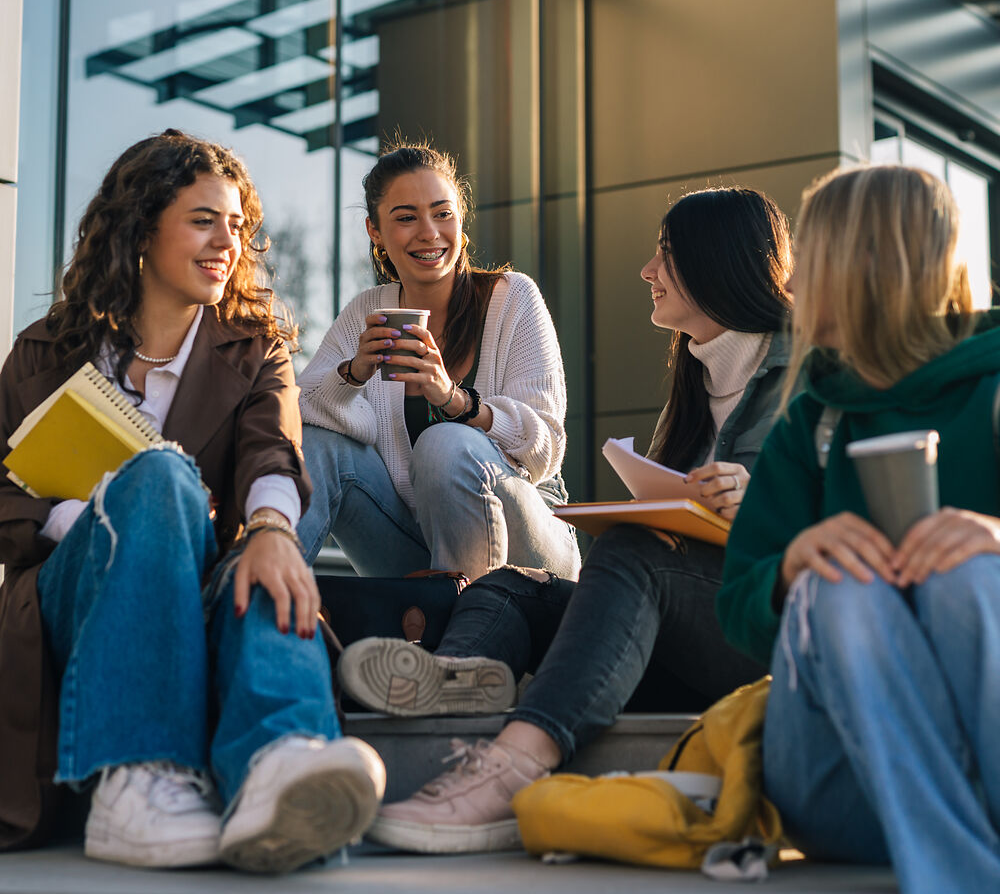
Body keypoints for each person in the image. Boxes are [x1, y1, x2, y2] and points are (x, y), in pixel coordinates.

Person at [337, 186, 794, 854]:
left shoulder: (807, 373)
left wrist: (757, 501)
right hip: (683, 629)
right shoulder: (696, 379)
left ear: (715, 260)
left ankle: (509, 771)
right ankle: (455, 678)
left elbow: (848, 518)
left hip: (760, 637)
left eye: (664, 256)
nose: (647, 271)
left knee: (631, 550)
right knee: (510, 585)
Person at [0, 130, 385, 873]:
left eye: (237, 226)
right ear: (141, 228)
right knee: (162, 477)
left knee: (264, 563)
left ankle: (282, 761)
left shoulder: (255, 345)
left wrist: (273, 526)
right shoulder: (44, 352)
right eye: (204, 220)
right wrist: (85, 522)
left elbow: (275, 449)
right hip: (67, 595)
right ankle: (138, 778)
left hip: (202, 583)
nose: (227, 243)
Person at [717, 165, 1000, 894]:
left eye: (809, 257)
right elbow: (736, 609)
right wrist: (789, 568)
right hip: (840, 785)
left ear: (874, 265)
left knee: (970, 569)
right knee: (839, 586)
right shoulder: (813, 418)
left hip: (984, 762)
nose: (791, 280)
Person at [296, 142, 580, 582]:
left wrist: (454, 401)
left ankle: (465, 636)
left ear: (460, 221)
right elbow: (302, 414)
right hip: (418, 549)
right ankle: (260, 602)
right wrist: (352, 374)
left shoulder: (514, 298)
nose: (429, 232)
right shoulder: (365, 312)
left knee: (444, 443)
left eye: (442, 213)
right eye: (406, 218)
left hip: (530, 544)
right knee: (319, 446)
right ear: (375, 231)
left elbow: (545, 448)